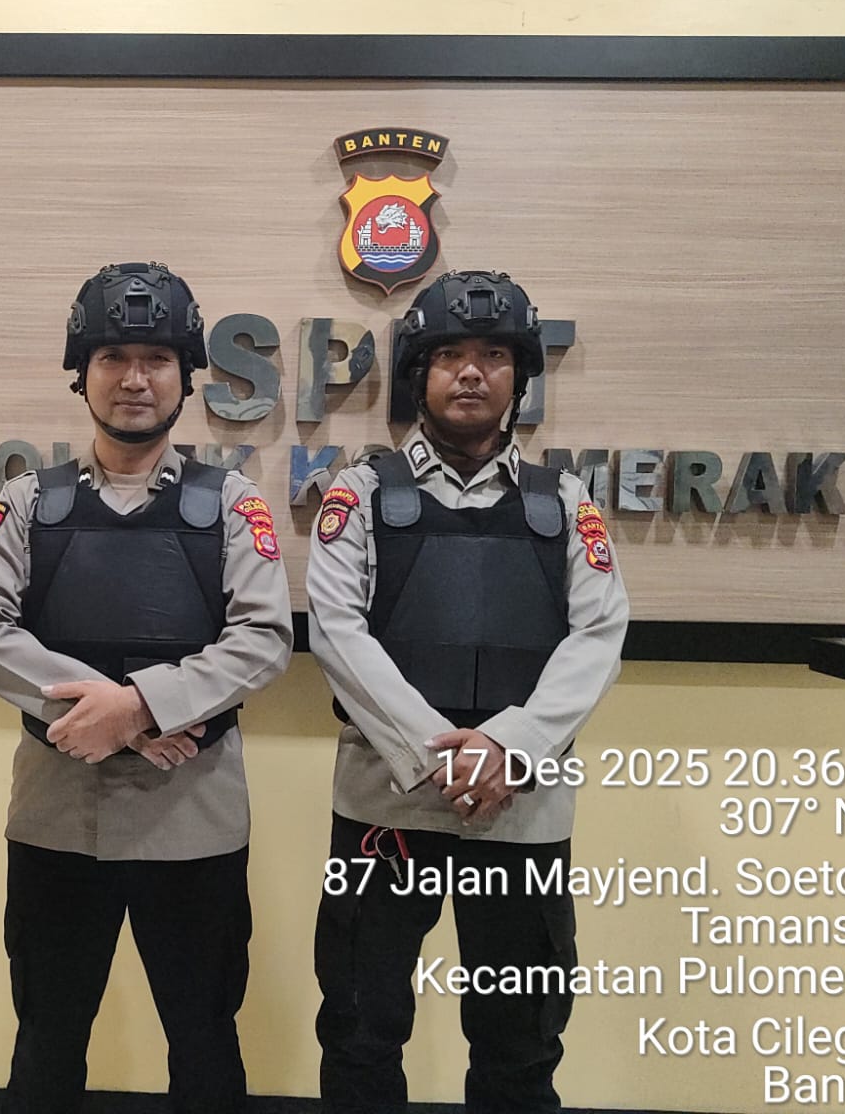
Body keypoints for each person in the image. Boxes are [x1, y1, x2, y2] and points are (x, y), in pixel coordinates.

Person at [0, 262, 293, 1114]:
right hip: (55, 817)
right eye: (112, 357)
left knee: (205, 1039)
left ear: (186, 375)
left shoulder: (233, 505)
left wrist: (139, 706)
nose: (134, 378)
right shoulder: (29, 502)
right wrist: (113, 716)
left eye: (156, 359)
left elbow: (264, 639)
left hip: (194, 818)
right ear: (83, 372)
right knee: (47, 1039)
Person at [306, 269, 629, 1113]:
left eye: (494, 355)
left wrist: (507, 749)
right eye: (451, 355)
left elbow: (599, 636)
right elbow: (336, 632)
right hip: (386, 807)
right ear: (422, 372)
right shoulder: (361, 494)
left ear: (521, 377)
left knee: (521, 1041)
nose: (473, 372)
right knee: (361, 1028)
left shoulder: (564, 502)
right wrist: (440, 756)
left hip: (521, 809)